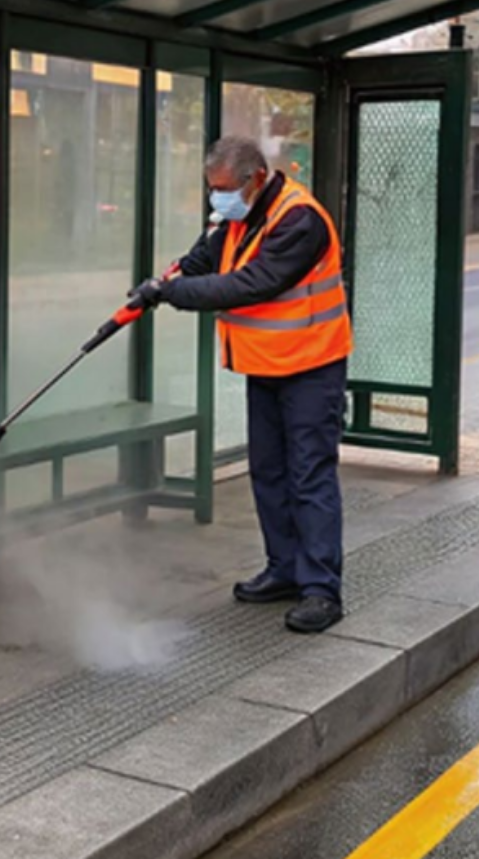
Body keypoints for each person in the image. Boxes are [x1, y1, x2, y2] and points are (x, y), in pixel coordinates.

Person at [134, 136, 352, 634]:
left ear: (256, 178)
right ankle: (284, 569)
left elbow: (252, 283)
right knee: (269, 473)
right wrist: (158, 285)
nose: (217, 199)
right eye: (212, 190)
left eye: (225, 189)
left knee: (310, 476)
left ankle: (321, 589)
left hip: (312, 367)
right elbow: (201, 261)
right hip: (267, 366)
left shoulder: (301, 219)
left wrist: (173, 294)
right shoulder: (235, 216)